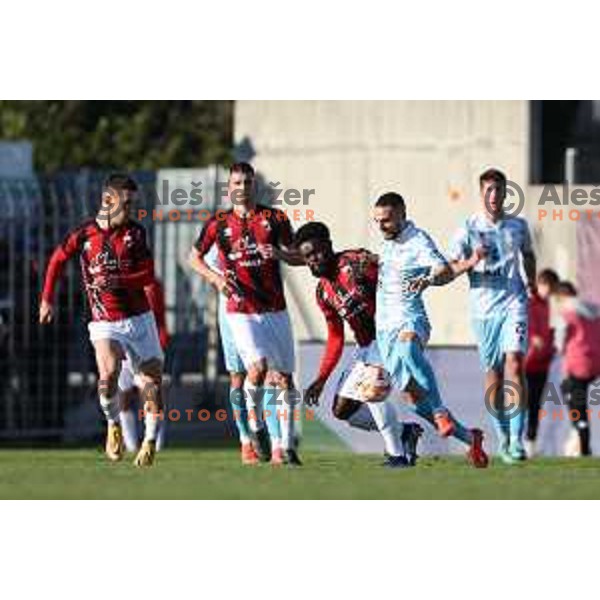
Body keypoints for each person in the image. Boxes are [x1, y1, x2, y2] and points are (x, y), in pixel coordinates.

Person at [39, 173, 163, 467]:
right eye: (127, 204)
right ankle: (113, 424)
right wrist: (46, 298)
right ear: (108, 200)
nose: (131, 210)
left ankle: (149, 441)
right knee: (107, 376)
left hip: (140, 320)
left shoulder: (136, 233)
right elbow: (57, 259)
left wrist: (118, 279)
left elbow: (147, 275)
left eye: (134, 204)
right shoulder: (84, 235)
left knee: (151, 386)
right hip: (105, 321)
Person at [188, 162, 302, 466]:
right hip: (235, 313)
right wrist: (216, 279)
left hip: (273, 309)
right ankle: (248, 438)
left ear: (255, 186)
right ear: (229, 188)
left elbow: (299, 255)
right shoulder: (217, 224)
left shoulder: (274, 218)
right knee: (246, 374)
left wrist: (278, 254)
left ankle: (281, 446)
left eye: (247, 183)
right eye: (236, 183)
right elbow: (195, 258)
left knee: (281, 377)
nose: (242, 188)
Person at [373, 192, 488, 468]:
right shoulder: (387, 243)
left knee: (408, 348)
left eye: (386, 220)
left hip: (411, 320)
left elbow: (443, 270)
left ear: (402, 214)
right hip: (384, 331)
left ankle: (439, 411)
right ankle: (470, 439)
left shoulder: (418, 240)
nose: (381, 226)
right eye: (377, 221)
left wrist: (427, 278)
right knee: (412, 399)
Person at [297, 222, 423, 468]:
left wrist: (408, 323)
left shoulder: (356, 263)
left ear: (329, 246)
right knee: (342, 410)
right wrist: (321, 379)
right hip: (365, 345)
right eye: (307, 257)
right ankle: (405, 433)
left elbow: (396, 277)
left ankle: (397, 455)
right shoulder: (323, 292)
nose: (313, 260)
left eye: (316, 252)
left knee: (371, 390)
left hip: (389, 336)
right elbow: (335, 337)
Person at [448, 168, 536, 464]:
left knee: (515, 363)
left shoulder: (518, 226)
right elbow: (451, 267)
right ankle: (502, 436)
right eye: (489, 190)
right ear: (481, 193)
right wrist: (472, 260)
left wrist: (532, 282)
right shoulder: (467, 228)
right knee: (494, 377)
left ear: (506, 193)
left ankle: (517, 440)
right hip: (484, 310)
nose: (494, 196)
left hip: (514, 302)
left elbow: (529, 255)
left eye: (499, 190)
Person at [204, 246, 271, 465]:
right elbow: (205, 263)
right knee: (238, 377)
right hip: (232, 314)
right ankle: (245, 441)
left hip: (261, 309)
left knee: (268, 374)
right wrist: (221, 280)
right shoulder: (221, 234)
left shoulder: (262, 229)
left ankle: (273, 438)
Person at [119, 277, 169, 453]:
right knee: (123, 397)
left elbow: (160, 316)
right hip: (123, 347)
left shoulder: (152, 285)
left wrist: (162, 339)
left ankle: (155, 441)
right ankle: (130, 444)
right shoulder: (116, 282)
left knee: (149, 394)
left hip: (145, 348)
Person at [555, 281, 600, 456]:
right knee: (570, 394)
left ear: (561, 296)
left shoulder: (567, 310)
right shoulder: (593, 311)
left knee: (576, 403)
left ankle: (582, 445)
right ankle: (578, 437)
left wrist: (559, 346)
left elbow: (561, 334)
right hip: (594, 362)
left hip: (578, 362)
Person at [524, 268, 559, 457]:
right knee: (521, 404)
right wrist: (533, 338)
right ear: (540, 284)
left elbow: (552, 331)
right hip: (525, 363)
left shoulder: (549, 306)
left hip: (542, 364)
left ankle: (531, 443)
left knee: (535, 405)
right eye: (548, 287)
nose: (549, 292)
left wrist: (551, 347)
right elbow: (525, 328)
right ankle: (513, 441)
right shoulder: (528, 303)